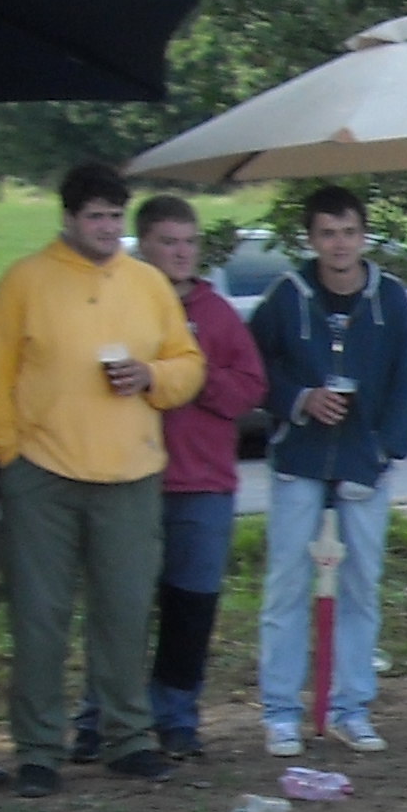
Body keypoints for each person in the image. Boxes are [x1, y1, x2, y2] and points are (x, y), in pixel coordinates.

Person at [0, 162, 203, 796]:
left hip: (131, 473)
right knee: (39, 617)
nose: (108, 228)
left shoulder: (148, 283)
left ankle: (128, 739)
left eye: (115, 216)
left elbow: (188, 362)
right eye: (95, 217)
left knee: (125, 613)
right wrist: (8, 456)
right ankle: (38, 751)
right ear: (69, 218)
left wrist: (152, 376)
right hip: (41, 475)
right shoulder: (26, 280)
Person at [69, 196, 265, 760]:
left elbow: (250, 389)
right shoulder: (117, 302)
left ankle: (176, 716)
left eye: (189, 242)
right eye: (168, 242)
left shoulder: (216, 313)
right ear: (143, 246)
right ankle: (99, 717)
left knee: (190, 607)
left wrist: (191, 375)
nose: (181, 253)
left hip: (202, 483)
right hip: (127, 475)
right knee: (119, 608)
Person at [249, 185, 407, 757]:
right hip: (300, 459)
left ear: (363, 235)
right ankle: (281, 711)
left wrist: (384, 450)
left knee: (361, 588)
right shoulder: (287, 296)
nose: (340, 245)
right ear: (311, 239)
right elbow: (254, 367)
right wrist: (299, 399)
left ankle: (352, 707)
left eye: (349, 232)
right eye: (327, 234)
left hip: (363, 464)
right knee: (285, 586)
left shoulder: (390, 299)